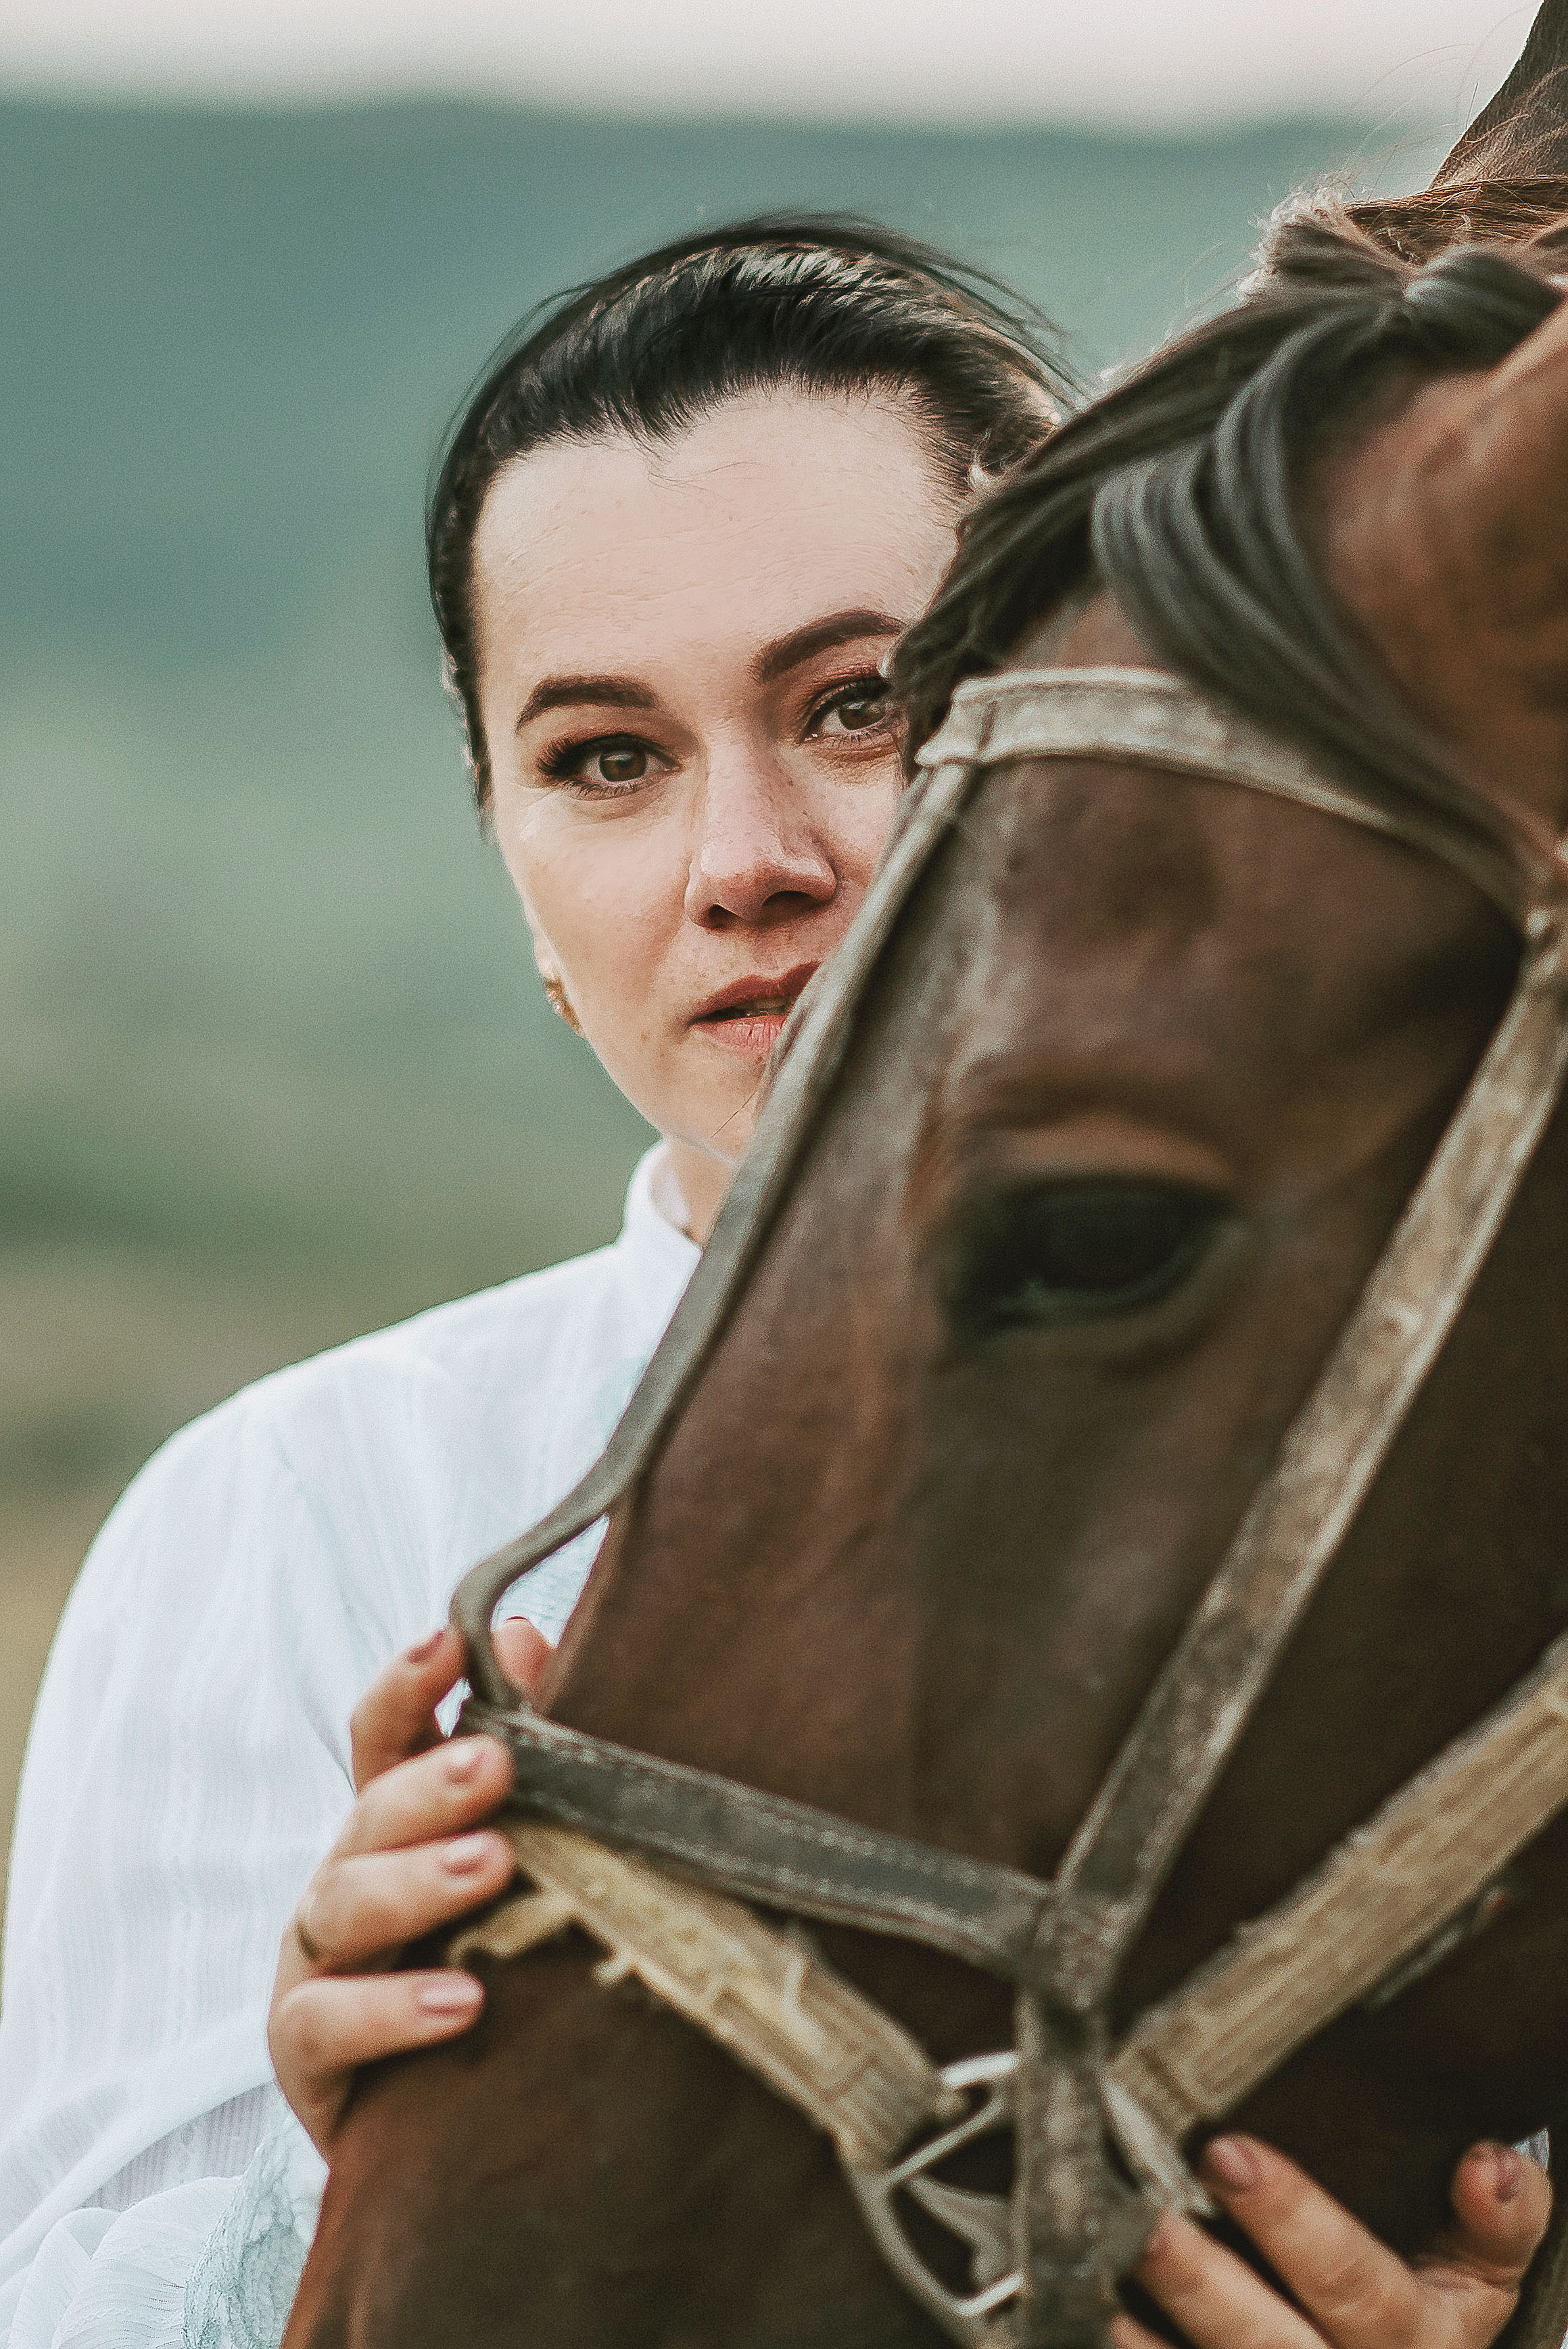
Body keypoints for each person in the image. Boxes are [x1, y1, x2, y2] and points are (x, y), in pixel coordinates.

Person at [0, 220, 1548, 2349]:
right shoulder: (289, 1506)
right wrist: (343, 2142)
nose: (746, 857)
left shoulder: (1445, 1481)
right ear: (518, 883)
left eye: (862, 705)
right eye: (605, 757)